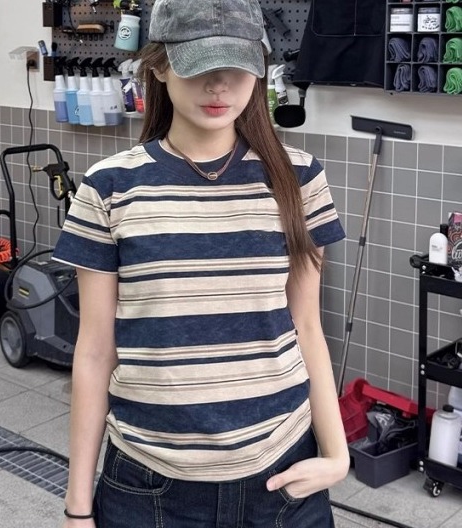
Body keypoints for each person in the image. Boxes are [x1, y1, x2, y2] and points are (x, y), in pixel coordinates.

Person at [53, 0, 350, 526]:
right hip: (150, 486)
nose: (220, 85)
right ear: (159, 66)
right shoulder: (109, 187)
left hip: (283, 477)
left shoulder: (298, 179)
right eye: (199, 65)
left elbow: (307, 325)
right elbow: (95, 351)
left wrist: (337, 456)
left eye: (237, 66)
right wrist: (78, 508)